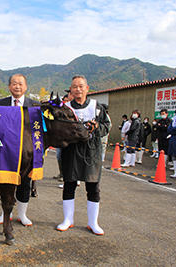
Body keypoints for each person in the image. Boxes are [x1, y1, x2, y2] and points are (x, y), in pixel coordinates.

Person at [56, 75, 110, 235]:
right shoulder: (65, 108)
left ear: (87, 88)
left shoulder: (97, 106)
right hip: (70, 150)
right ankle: (68, 219)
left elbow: (106, 126)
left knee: (93, 186)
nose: (78, 89)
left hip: (91, 150)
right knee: (69, 184)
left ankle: (93, 223)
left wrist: (97, 127)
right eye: (74, 87)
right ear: (70, 90)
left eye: (81, 86)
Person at [0, 73, 39, 226]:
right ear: (9, 86)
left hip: (26, 154)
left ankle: (22, 214)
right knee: (5, 184)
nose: (17, 86)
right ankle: (6, 213)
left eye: (20, 83)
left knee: (25, 182)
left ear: (25, 86)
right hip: (5, 153)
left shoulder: (34, 105)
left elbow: (39, 131)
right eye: (14, 83)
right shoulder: (1, 103)